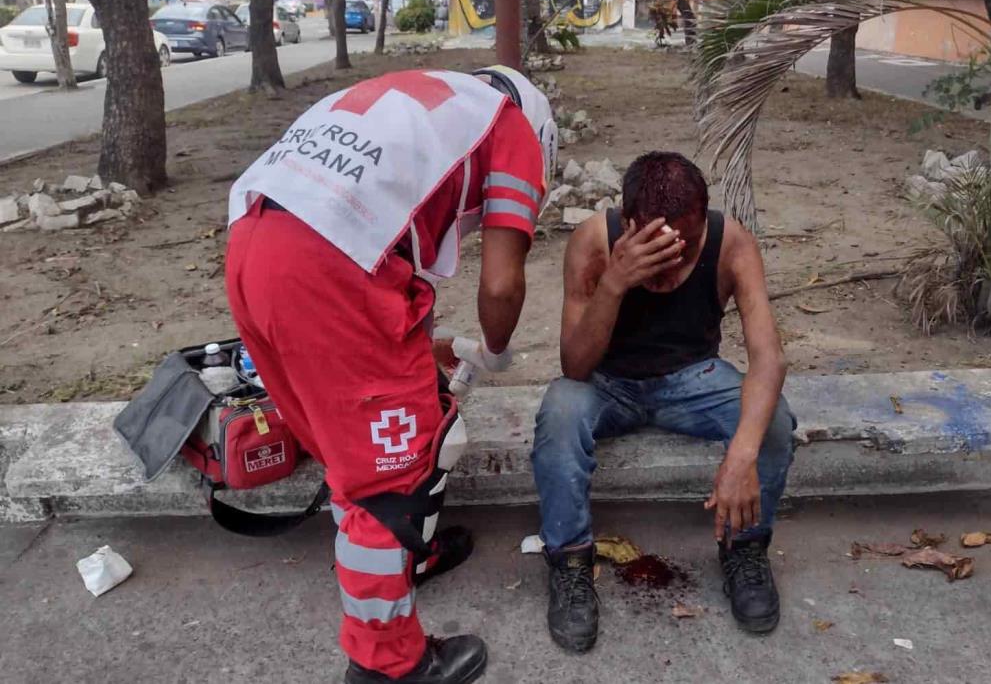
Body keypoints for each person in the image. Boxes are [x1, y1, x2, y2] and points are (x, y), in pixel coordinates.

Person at [224, 66, 557, 684]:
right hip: (326, 276)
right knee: (392, 480)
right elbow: (503, 281)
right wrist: (495, 346)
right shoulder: (508, 126)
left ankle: (409, 559)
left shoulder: (419, 98)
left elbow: (372, 241)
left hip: (253, 249)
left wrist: (422, 349)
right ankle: (389, 664)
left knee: (356, 447)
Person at [531, 151, 796, 652]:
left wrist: (742, 454)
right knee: (560, 410)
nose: (673, 262)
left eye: (687, 244)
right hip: (607, 382)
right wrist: (615, 282)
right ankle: (569, 562)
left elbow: (769, 359)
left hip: (693, 379)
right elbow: (575, 367)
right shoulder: (592, 241)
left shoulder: (731, 243)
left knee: (774, 421)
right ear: (630, 223)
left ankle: (745, 549)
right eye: (658, 245)